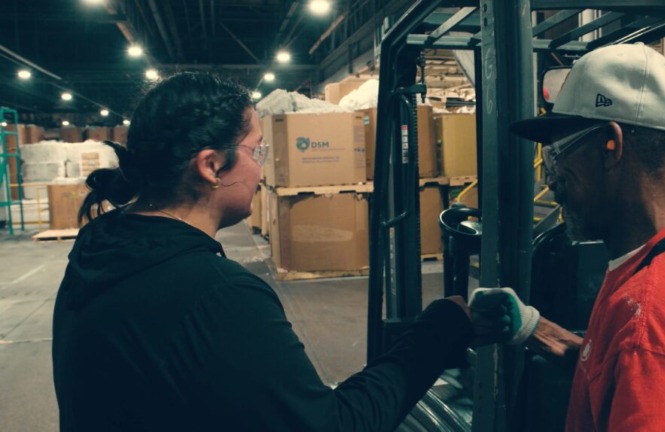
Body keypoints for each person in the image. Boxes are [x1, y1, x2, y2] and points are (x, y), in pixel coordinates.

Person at [51, 72, 482, 431]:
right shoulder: (216, 294)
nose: (262, 167)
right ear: (211, 166)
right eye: (257, 150)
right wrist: (438, 330)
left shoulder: (101, 247)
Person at [472, 43, 665, 430]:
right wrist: (534, 329)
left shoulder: (655, 314)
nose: (552, 180)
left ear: (609, 146)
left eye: (558, 155)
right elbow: (635, 366)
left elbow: (648, 355)